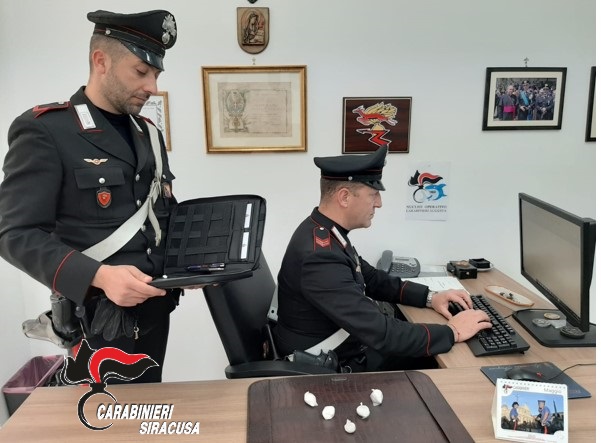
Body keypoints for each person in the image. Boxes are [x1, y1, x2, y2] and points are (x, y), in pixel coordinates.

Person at [0, 10, 183, 383]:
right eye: (141, 71)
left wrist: (191, 262)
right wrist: (99, 275)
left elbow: (158, 212)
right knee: (104, 414)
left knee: (146, 404)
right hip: (95, 322)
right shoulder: (47, 132)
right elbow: (13, 234)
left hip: (153, 311)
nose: (152, 86)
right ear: (101, 61)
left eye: (156, 74)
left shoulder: (148, 133)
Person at [274, 146, 492, 372]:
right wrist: (452, 332)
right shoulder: (320, 256)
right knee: (443, 363)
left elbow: (372, 279)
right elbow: (381, 333)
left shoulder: (325, 232)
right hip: (334, 366)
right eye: (373, 194)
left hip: (346, 346)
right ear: (345, 197)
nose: (379, 203)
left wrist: (430, 297)